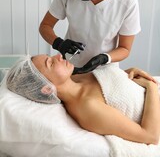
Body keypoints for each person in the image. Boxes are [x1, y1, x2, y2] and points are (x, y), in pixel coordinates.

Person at [6, 54, 160, 145]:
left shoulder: (77, 78)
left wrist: (129, 73)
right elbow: (150, 136)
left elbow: (114, 89)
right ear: (46, 89)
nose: (59, 56)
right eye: (51, 63)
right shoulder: (87, 108)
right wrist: (151, 87)